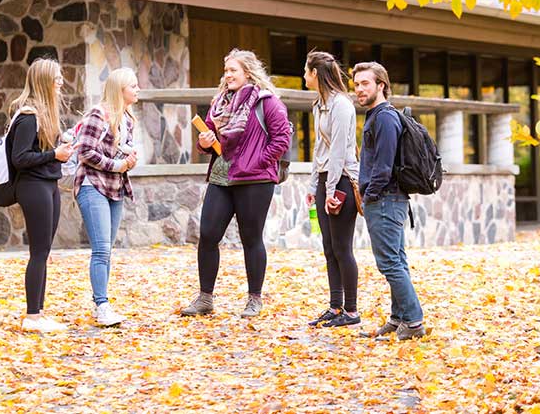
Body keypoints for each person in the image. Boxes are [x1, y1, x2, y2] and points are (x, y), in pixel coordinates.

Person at [181, 49, 291, 318]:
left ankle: (254, 299)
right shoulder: (220, 103)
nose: (227, 75)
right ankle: (205, 298)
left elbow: (282, 139)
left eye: (233, 70)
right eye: (226, 70)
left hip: (254, 179)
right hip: (222, 177)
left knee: (251, 238)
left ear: (248, 73)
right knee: (207, 234)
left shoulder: (267, 102)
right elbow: (209, 137)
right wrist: (203, 143)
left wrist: (258, 162)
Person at [352, 61, 426, 341]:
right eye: (357, 84)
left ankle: (414, 321)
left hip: (384, 200)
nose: (359, 89)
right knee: (397, 261)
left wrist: (370, 196)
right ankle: (399, 319)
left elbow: (382, 166)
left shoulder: (383, 117)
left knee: (390, 264)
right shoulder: (377, 115)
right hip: (387, 199)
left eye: (365, 84)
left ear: (380, 85)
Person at [9, 58, 75, 333]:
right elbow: (19, 157)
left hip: (48, 183)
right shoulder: (27, 116)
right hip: (33, 187)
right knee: (38, 252)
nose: (61, 83)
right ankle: (32, 317)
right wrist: (54, 154)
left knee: (44, 251)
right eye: (57, 79)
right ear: (45, 82)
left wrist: (61, 145)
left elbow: (39, 151)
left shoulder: (45, 114)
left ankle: (40, 312)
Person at [75, 67, 139, 327]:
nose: (137, 90)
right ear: (119, 89)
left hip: (115, 187)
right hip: (92, 185)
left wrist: (129, 161)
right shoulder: (98, 113)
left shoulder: (127, 119)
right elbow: (85, 152)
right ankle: (102, 306)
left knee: (107, 251)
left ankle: (99, 302)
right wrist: (117, 165)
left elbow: (119, 155)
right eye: (132, 86)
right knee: (101, 249)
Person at [303, 51, 361, 328]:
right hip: (327, 179)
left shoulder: (341, 105)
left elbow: (338, 151)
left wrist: (330, 188)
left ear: (316, 73)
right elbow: (320, 149)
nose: (304, 76)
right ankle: (335, 306)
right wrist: (314, 185)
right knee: (329, 247)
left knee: (342, 247)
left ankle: (351, 310)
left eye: (306, 71)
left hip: (342, 181)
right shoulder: (319, 104)